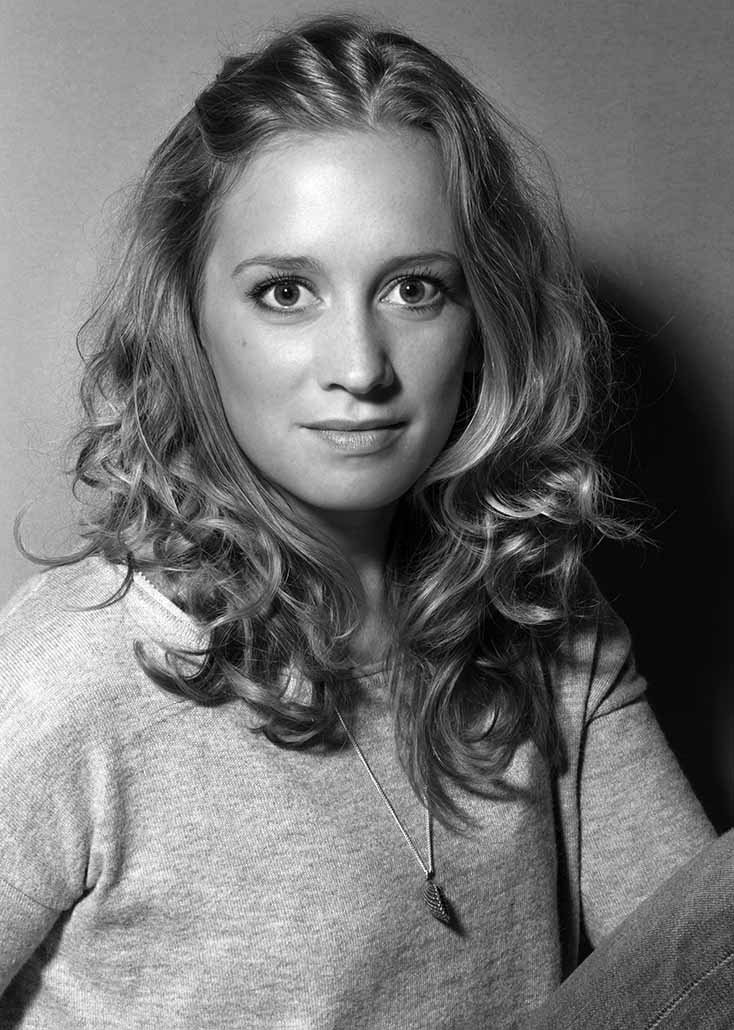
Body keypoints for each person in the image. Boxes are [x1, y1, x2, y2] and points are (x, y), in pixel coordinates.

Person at [0, 14, 730, 1029]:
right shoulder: (71, 676)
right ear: (188, 321)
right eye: (285, 292)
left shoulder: (542, 621)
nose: (360, 366)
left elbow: (700, 973)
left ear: (482, 319)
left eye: (413, 289)